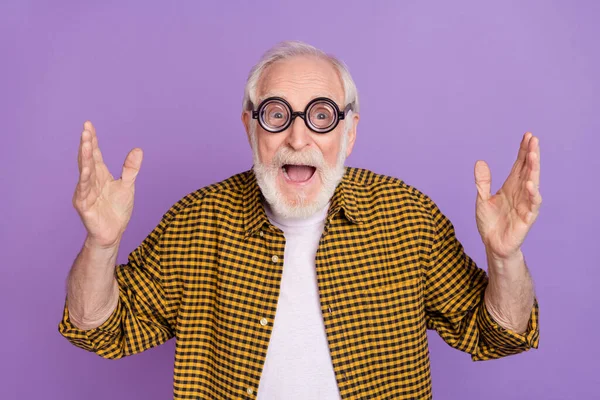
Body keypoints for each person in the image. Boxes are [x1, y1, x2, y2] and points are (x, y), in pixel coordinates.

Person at [59, 41, 541, 400]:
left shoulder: (408, 215)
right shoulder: (197, 221)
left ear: (349, 133)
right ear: (251, 128)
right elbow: (100, 329)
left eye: (321, 115)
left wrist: (505, 258)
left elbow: (496, 334)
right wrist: (101, 246)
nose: (297, 136)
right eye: (275, 114)